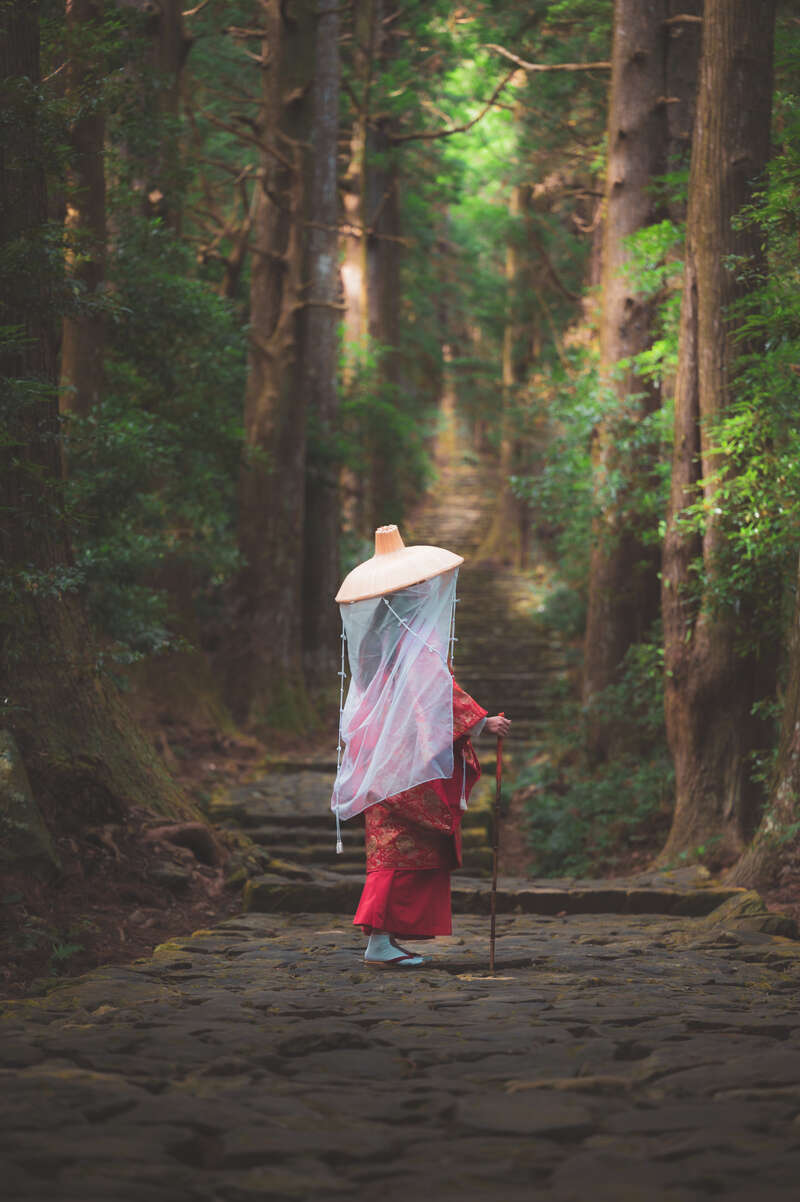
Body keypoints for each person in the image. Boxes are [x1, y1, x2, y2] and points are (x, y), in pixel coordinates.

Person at [331, 524, 511, 967]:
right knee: (400, 846)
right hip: (406, 759)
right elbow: (431, 688)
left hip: (385, 750)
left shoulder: (379, 633)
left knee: (391, 843)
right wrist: (482, 722)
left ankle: (383, 939)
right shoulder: (410, 635)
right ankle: (378, 942)